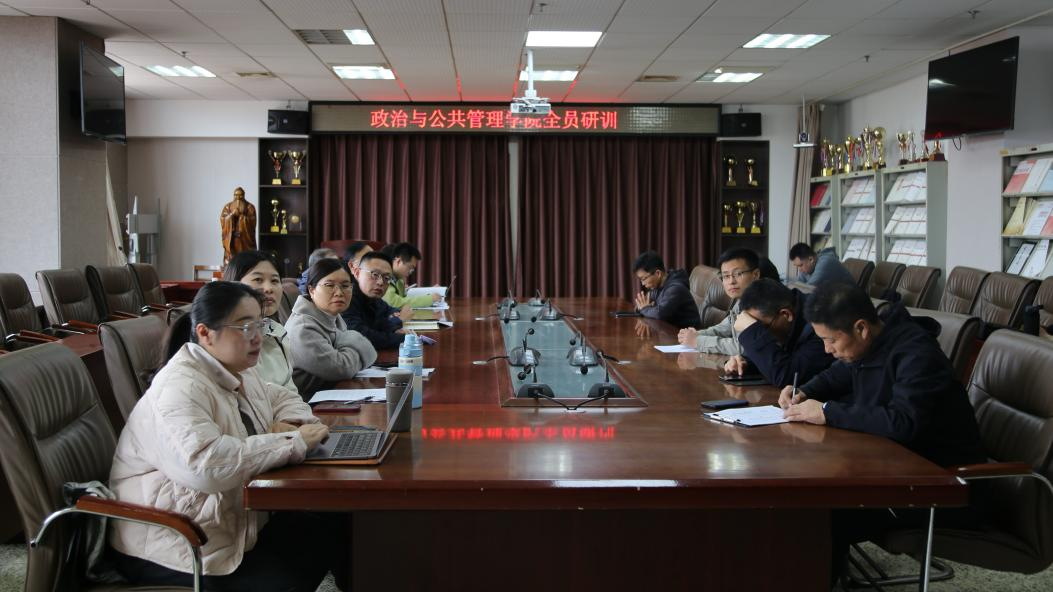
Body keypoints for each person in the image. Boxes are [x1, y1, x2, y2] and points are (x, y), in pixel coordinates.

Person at [108, 281, 339, 591]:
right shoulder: (179, 387)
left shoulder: (237, 369)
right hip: (176, 544)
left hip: (226, 521)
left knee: (337, 524)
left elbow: (281, 396)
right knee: (291, 575)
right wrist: (293, 441)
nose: (257, 337)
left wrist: (291, 422)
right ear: (205, 333)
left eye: (260, 324)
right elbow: (205, 465)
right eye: (245, 327)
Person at [778, 282, 986, 585]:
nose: (827, 350)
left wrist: (828, 412)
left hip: (941, 485)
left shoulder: (916, 355)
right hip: (896, 469)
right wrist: (804, 391)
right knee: (810, 495)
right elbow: (839, 374)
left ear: (861, 328)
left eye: (830, 340)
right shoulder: (873, 340)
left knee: (819, 510)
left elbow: (904, 422)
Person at [285, 258, 378, 398]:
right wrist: (355, 339)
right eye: (329, 285)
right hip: (306, 404)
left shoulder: (333, 316)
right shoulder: (303, 328)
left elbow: (368, 356)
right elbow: (342, 369)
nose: (339, 292)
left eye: (345, 286)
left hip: (329, 395)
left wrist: (353, 351)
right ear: (311, 290)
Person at [722, 279, 833, 386]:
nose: (763, 334)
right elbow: (779, 356)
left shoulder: (820, 323)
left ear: (786, 315)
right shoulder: (789, 311)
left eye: (762, 329)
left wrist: (752, 331)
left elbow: (786, 377)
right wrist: (745, 363)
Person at [223, 251, 297, 393]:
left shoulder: (278, 332)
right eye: (258, 279)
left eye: (275, 281)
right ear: (233, 284)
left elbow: (290, 391)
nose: (269, 289)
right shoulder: (228, 341)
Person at [677, 248, 761, 354]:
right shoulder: (742, 299)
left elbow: (744, 348)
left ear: (755, 275)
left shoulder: (760, 304)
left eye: (738, 274)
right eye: (726, 276)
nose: (731, 281)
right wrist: (696, 335)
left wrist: (698, 341)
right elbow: (725, 327)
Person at [342, 251, 406, 350]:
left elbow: (393, 312)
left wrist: (393, 329)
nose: (381, 282)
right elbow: (360, 337)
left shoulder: (374, 298)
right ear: (357, 273)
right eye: (375, 274)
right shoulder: (346, 298)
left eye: (386, 278)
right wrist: (401, 338)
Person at [631, 251, 702, 329]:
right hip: (669, 331)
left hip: (688, 334)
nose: (643, 284)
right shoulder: (657, 286)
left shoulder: (675, 289)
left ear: (658, 273)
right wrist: (641, 307)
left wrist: (644, 309)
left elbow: (660, 314)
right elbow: (644, 304)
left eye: (644, 279)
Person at [381, 242, 442, 309]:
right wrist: (429, 299)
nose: (411, 271)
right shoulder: (383, 278)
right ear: (398, 262)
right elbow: (394, 302)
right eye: (410, 267)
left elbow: (405, 298)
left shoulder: (399, 280)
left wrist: (430, 291)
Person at [219, 187, 257, 267]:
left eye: (240, 195)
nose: (238, 198)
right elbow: (223, 219)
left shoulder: (250, 207)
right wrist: (232, 214)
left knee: (246, 261)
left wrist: (241, 216)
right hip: (232, 239)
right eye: (236, 195)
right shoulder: (227, 207)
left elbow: (253, 222)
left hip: (244, 239)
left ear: (244, 195)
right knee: (232, 260)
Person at [789, 242, 855, 287]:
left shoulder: (826, 262)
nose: (800, 269)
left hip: (849, 299)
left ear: (811, 259)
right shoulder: (807, 268)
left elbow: (808, 289)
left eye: (800, 265)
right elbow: (797, 284)